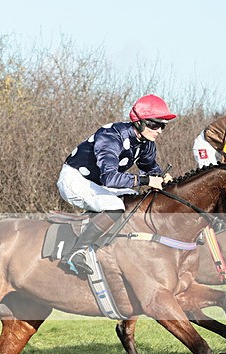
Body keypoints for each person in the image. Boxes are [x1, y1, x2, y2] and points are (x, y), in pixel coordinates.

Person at [56, 94, 176, 276]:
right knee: (114, 206)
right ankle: (75, 253)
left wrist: (164, 178)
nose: (159, 130)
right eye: (154, 124)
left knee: (135, 201)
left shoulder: (146, 143)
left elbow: (150, 167)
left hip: (97, 183)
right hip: (75, 179)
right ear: (139, 122)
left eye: (163, 126)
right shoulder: (111, 136)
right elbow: (110, 179)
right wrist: (146, 180)